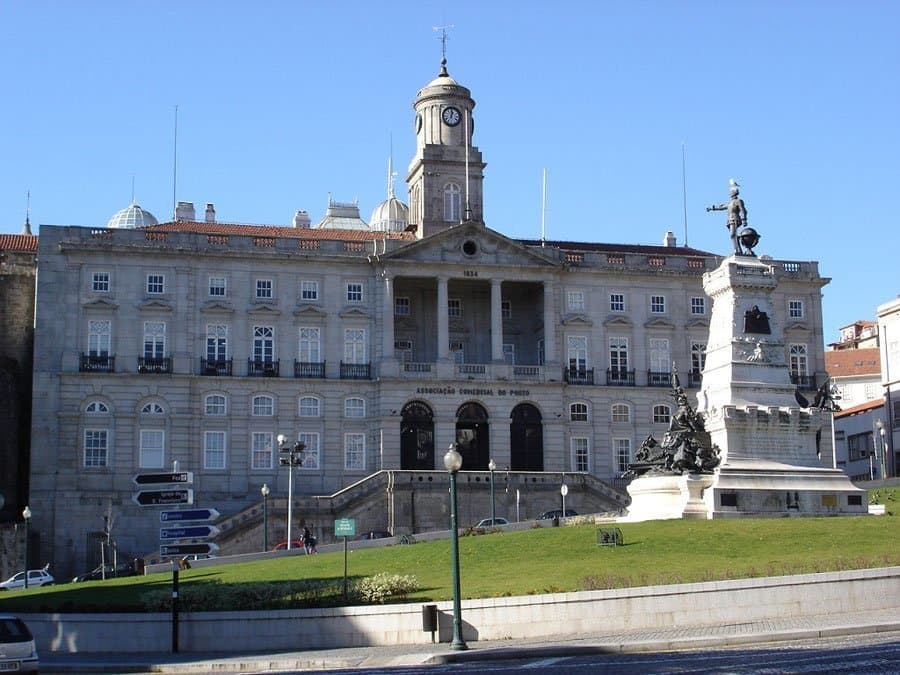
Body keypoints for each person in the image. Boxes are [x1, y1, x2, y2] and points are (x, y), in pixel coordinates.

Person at [707, 181, 748, 255]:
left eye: (731, 192)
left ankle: (736, 250)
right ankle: (738, 249)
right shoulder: (730, 203)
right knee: (734, 235)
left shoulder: (738, 201)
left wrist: (744, 219)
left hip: (735, 219)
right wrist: (712, 208)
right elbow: (721, 207)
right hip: (730, 220)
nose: (730, 194)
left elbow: (743, 210)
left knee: (733, 234)